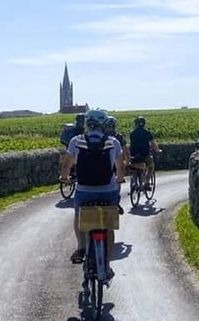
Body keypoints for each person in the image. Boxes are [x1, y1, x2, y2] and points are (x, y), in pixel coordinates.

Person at [61, 109, 125, 273]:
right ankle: (108, 264)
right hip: (108, 191)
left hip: (84, 191)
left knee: (78, 214)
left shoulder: (76, 141)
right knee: (108, 227)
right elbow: (120, 167)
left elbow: (66, 164)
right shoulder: (114, 142)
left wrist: (64, 177)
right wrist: (119, 178)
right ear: (104, 125)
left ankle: (81, 246)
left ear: (88, 124)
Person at [103, 115, 129, 214]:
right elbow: (126, 152)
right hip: (116, 164)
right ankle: (115, 202)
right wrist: (127, 162)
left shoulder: (101, 136)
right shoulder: (119, 137)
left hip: (104, 164)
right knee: (118, 181)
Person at [129, 116, 162, 189]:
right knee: (151, 166)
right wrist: (158, 150)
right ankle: (146, 183)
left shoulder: (132, 133)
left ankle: (135, 183)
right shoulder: (147, 132)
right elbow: (153, 143)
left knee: (134, 168)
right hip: (144, 155)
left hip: (134, 155)